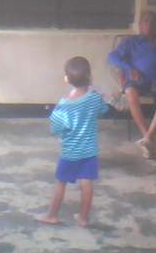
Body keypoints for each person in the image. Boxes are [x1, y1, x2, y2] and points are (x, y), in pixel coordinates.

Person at [37, 56, 109, 228]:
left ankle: (52, 215)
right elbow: (103, 109)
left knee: (61, 183)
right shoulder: (94, 98)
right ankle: (83, 218)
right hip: (89, 151)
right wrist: (99, 94)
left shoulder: (63, 106)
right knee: (87, 183)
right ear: (90, 78)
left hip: (70, 152)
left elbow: (55, 129)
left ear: (66, 79)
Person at [108, 10, 156, 160]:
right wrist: (129, 68)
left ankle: (148, 139)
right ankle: (147, 136)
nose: (149, 24)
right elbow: (112, 56)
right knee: (130, 92)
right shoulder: (131, 42)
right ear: (140, 25)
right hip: (138, 80)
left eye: (153, 22)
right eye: (146, 21)